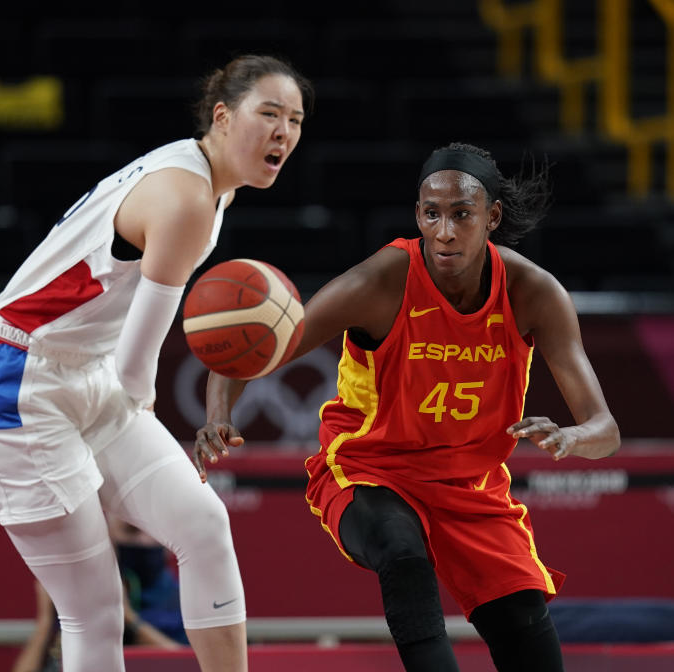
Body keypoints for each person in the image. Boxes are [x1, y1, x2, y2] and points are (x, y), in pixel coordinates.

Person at [0, 54, 313, 672]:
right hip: (12, 383)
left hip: (83, 372)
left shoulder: (203, 181)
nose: (284, 133)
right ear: (223, 117)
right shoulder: (186, 198)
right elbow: (138, 371)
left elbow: (123, 372)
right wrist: (154, 420)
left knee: (202, 523)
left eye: (296, 121)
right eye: (269, 114)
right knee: (94, 610)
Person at [196, 142, 621, 672]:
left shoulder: (534, 292)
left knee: (523, 629)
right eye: (431, 214)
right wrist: (218, 413)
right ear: (417, 215)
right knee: (402, 554)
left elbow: (606, 429)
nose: (444, 231)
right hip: (371, 470)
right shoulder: (382, 281)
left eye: (461, 215)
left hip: (471, 486)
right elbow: (257, 344)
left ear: (491, 217)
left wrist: (574, 436)